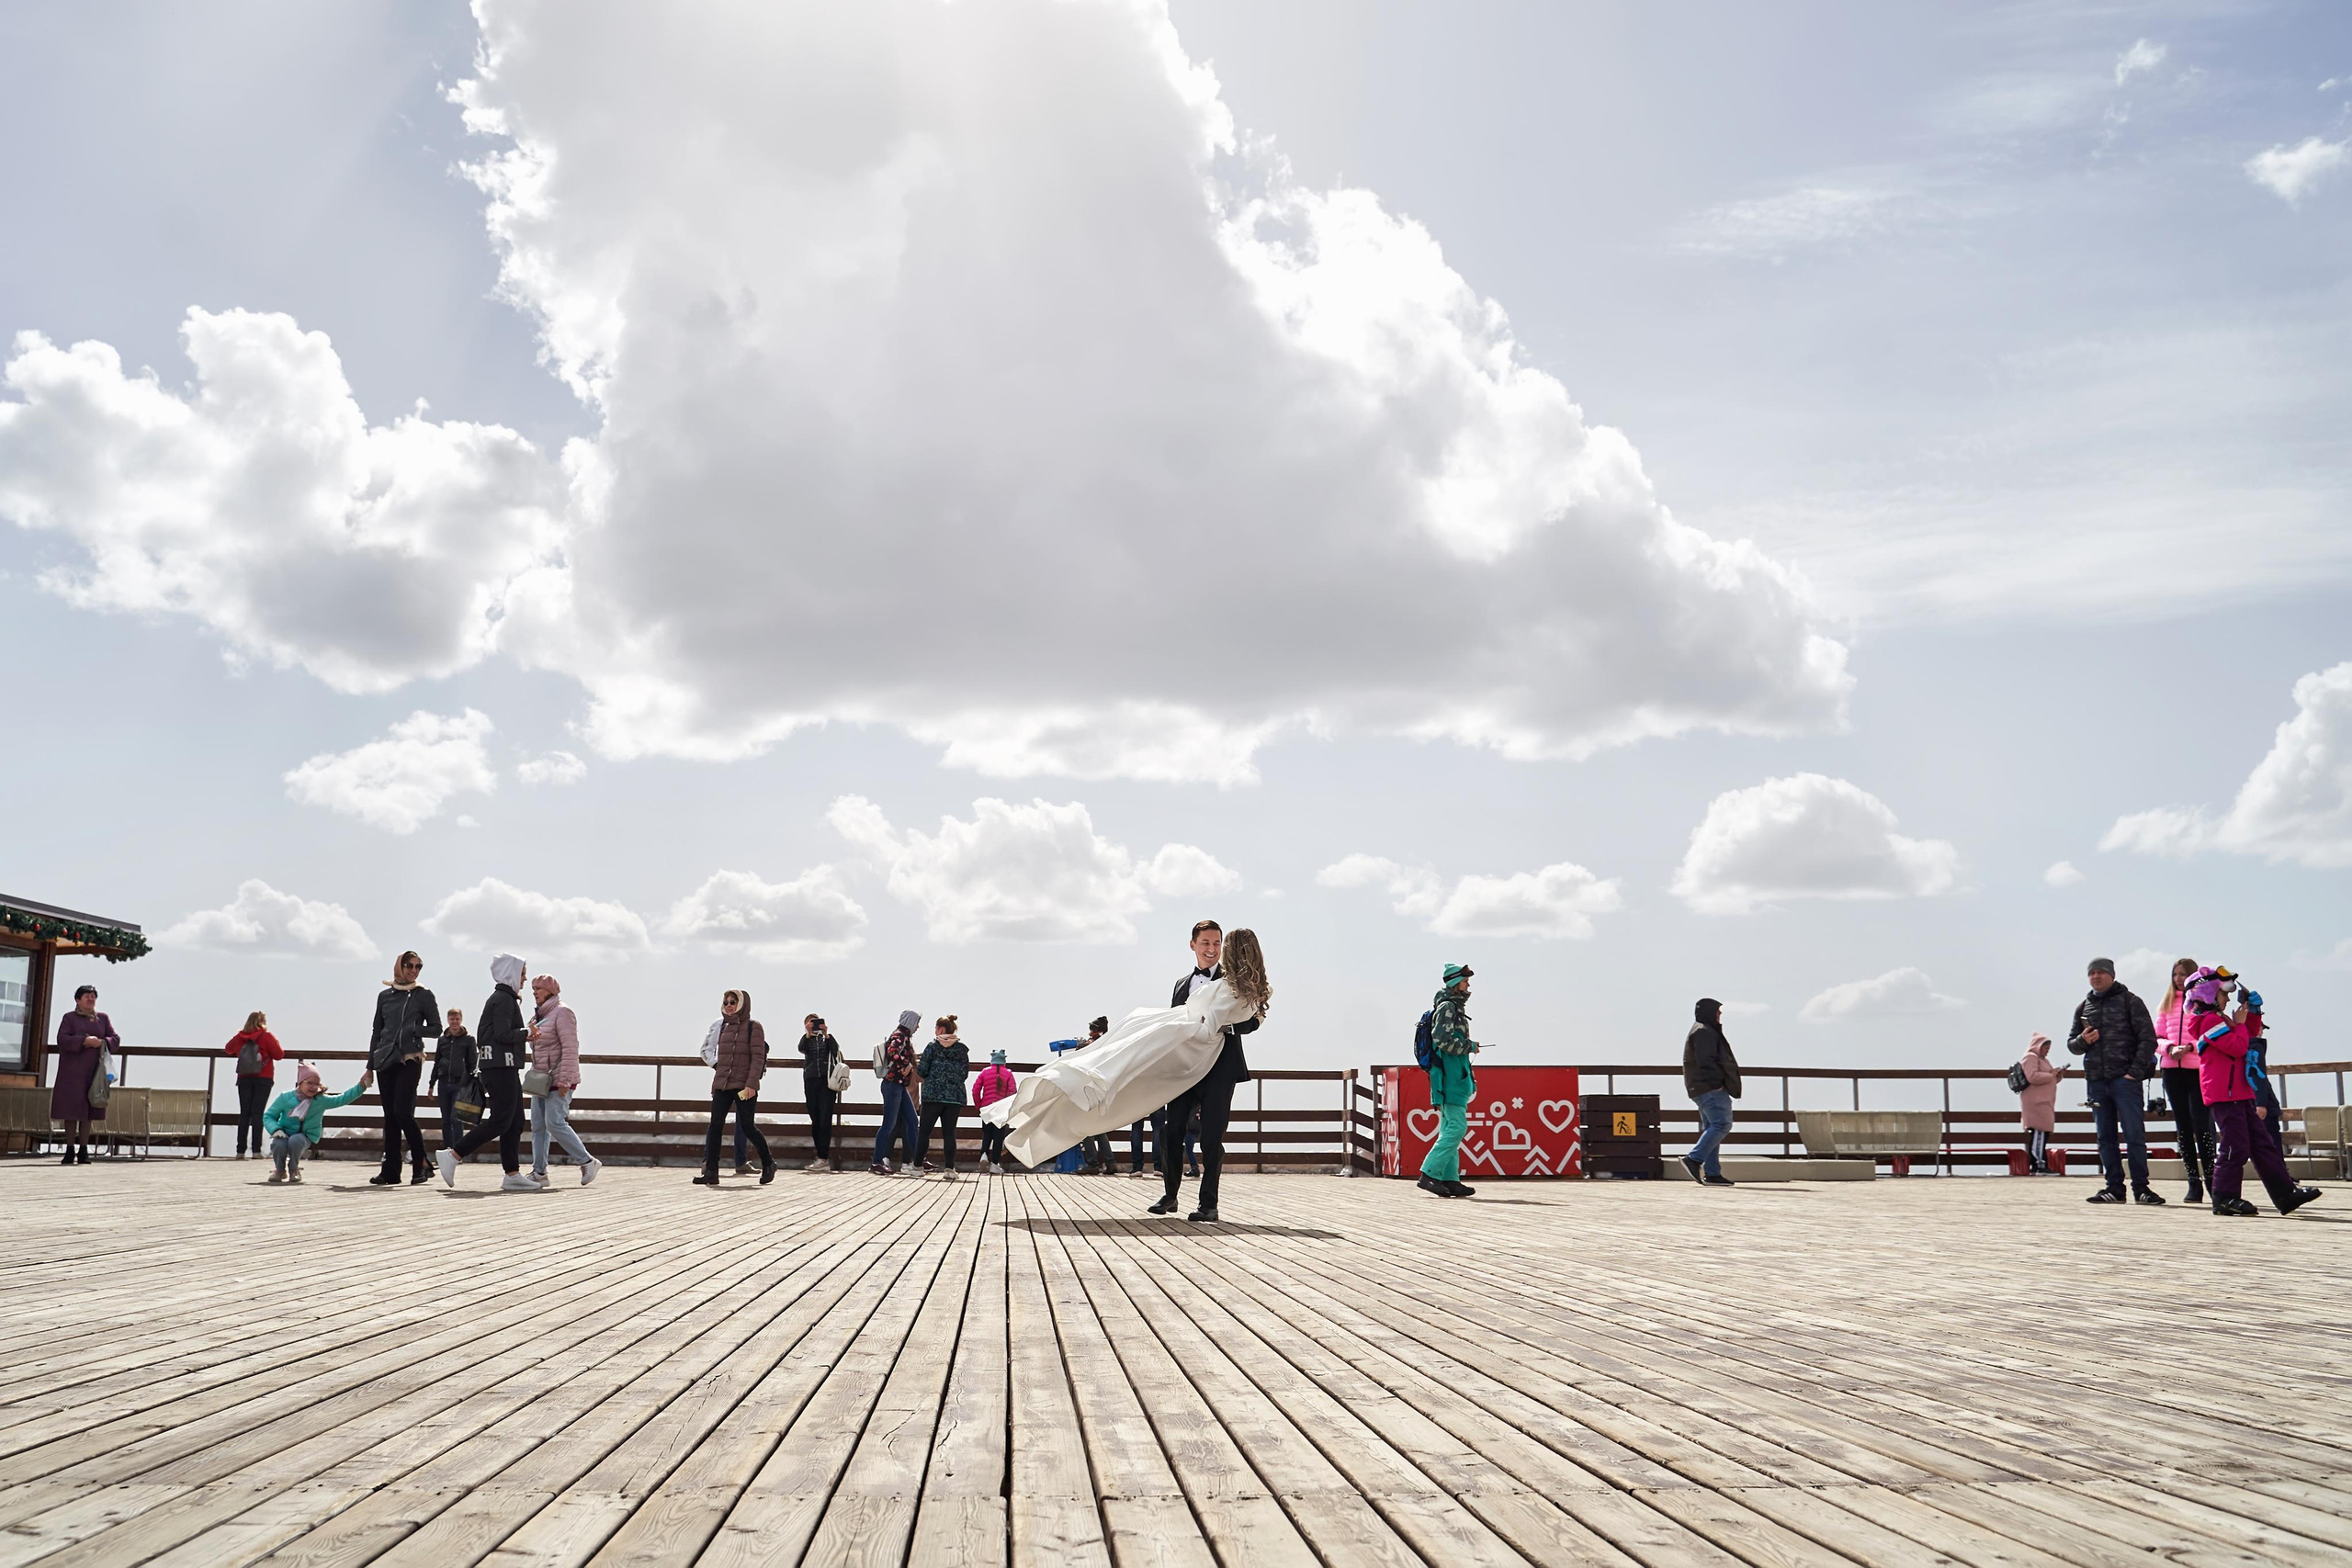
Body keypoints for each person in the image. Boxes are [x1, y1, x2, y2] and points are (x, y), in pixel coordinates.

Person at [1003, 922, 1270, 1224]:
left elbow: (1254, 1020)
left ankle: (1209, 1203)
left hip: (1220, 1069)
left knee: (1211, 1137)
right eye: (1206, 942)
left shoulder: (1236, 979)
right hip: (1182, 1071)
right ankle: (1170, 1195)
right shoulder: (1182, 984)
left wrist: (1226, 1026)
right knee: (1171, 1131)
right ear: (1193, 945)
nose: (1212, 948)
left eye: (1217, 943)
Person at [2188, 972, 2318, 1216]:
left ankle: (2285, 1194)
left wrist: (2253, 1013)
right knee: (2234, 1145)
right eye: (2224, 992)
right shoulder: (2207, 1021)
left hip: (2238, 1091)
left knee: (2262, 1144)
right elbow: (2238, 1046)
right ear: (2208, 994)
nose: (2228, 997)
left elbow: (2247, 1036)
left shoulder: (2219, 1018)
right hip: (2224, 1093)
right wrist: (2238, 1022)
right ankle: (2224, 1197)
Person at [2065, 956, 2162, 1205]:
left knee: (2134, 1135)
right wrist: (2082, 1041)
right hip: (2096, 1082)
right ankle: (2114, 1189)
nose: (2096, 976)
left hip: (2125, 1081)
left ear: (2112, 974)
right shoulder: (2083, 1007)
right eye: (2092, 973)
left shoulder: (2131, 1002)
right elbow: (2072, 1045)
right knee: (2105, 1137)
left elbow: (2148, 1039)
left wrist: (2134, 1072)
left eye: (2100, 972)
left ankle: (2142, 1189)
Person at [436, 954, 533, 1191]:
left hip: (503, 1067)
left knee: (516, 1121)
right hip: (500, 1068)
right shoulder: (503, 1000)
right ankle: (454, 1154)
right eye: (521, 974)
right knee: (501, 1120)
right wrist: (527, 1033)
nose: (525, 979)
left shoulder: (503, 998)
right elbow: (502, 1035)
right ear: (510, 974)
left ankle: (512, 1174)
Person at [368, 950, 444, 1186]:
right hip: (385, 1060)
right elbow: (376, 1032)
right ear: (400, 966)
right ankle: (390, 1171)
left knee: (403, 1113)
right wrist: (370, 1066)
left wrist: (414, 1029)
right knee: (390, 1117)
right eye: (409, 965)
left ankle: (421, 1163)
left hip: (410, 1059)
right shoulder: (385, 995)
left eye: (418, 966)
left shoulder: (423, 995)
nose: (413, 970)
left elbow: (436, 1028)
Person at [527, 975, 602, 1188]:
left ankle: (587, 1161)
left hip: (558, 1078)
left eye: (539, 989)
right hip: (540, 1079)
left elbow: (571, 1048)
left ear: (550, 991)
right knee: (538, 1125)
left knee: (555, 1122)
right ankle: (539, 1172)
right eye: (533, 988)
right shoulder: (539, 1016)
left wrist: (565, 1080)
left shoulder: (563, 1012)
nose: (534, 992)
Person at [2153, 957, 2215, 1203]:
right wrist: (2169, 1048)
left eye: (2182, 974)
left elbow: (2210, 1034)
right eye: (2175, 974)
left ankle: (2211, 1179)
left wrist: (2189, 1047)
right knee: (2183, 1128)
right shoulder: (2165, 1005)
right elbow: (2156, 1037)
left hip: (2197, 1069)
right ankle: (2193, 1183)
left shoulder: (2202, 1004)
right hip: (2171, 1070)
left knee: (2202, 1125)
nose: (2178, 979)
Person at [1419, 964, 1482, 1199]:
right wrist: (1470, 1046)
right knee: (1457, 1127)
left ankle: (1450, 1179)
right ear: (1454, 984)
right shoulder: (1448, 1008)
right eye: (1465, 982)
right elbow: (1443, 1041)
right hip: (1449, 1079)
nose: (1468, 986)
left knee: (1449, 1128)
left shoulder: (1452, 1007)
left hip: (1454, 1078)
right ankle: (1429, 1173)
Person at [700, 988, 773, 1185]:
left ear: (742, 1004)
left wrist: (752, 1084)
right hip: (723, 1085)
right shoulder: (722, 1027)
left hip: (743, 1086)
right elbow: (720, 1059)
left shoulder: (753, 1027)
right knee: (715, 1126)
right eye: (726, 1002)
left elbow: (758, 1058)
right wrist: (717, 1084)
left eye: (733, 1002)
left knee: (748, 1127)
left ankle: (768, 1163)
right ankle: (711, 1172)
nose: (729, 1005)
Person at [265, 1064, 371, 1184]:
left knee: (295, 1141)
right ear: (300, 1083)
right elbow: (269, 1116)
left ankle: (294, 1170)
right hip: (284, 1132)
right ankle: (279, 1170)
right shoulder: (285, 1098)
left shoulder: (320, 1100)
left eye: (316, 1084)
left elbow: (342, 1099)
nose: (313, 1087)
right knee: (278, 1143)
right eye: (309, 1083)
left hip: (305, 1135)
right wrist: (275, 1129)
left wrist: (361, 1087)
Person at [50, 984, 117, 1164]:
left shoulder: (102, 1018)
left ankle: (84, 1150)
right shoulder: (69, 1018)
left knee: (90, 1110)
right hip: (71, 1072)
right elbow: (62, 1040)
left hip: (94, 1072)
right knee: (71, 1111)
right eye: (87, 996)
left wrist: (102, 1041)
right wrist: (84, 1041)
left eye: (93, 996)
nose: (91, 999)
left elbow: (115, 1039)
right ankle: (69, 1150)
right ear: (78, 1000)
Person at [1680, 998, 1740, 1188]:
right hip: (1709, 1088)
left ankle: (1713, 1173)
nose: (1720, 1015)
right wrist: (1716, 1084)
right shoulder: (1704, 1032)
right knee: (1722, 1124)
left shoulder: (1702, 1030)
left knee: (1712, 1127)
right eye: (1718, 1011)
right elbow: (1705, 1061)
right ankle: (1694, 1159)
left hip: (1701, 1087)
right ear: (1709, 1012)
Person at [223, 1011, 284, 1159]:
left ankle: (240, 1151)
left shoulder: (240, 1037)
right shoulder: (266, 1036)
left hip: (244, 1077)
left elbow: (228, 1048)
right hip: (263, 1078)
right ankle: (256, 1151)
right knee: (258, 1114)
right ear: (262, 1022)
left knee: (244, 1114)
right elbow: (279, 1055)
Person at [916, 1016, 972, 1176]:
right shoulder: (962, 1049)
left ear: (941, 1029)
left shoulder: (932, 1047)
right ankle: (949, 1168)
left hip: (932, 1095)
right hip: (953, 1098)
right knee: (949, 1134)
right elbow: (964, 1073)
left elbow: (922, 1070)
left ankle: (918, 1166)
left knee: (924, 1132)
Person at [870, 1011, 922, 1174]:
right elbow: (892, 1051)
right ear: (910, 1022)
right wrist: (907, 1064)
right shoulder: (899, 1035)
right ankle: (876, 1162)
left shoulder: (905, 1037)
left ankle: (917, 1160)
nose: (918, 1026)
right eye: (916, 1023)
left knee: (913, 1121)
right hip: (892, 1085)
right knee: (889, 1125)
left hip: (899, 1086)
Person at [797, 1014, 842, 1171]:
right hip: (811, 1081)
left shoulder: (827, 1039)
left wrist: (826, 1034)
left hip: (826, 1082)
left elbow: (835, 1050)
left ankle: (824, 1158)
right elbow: (801, 1048)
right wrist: (808, 1034)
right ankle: (820, 1157)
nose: (813, 1026)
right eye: (809, 1023)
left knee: (825, 1119)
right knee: (815, 1118)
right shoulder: (807, 1040)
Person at [2015, 1033, 2064, 1174]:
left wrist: (2057, 1075)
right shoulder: (2030, 1057)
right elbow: (2033, 1077)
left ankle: (2039, 1163)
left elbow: (2048, 1078)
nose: (2047, 1050)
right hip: (2035, 1102)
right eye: (2045, 1048)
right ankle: (2039, 1164)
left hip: (2044, 1101)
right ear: (2038, 1046)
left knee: (2043, 1133)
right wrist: (2051, 1075)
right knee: (2039, 1132)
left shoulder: (2043, 1060)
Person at [428, 1009, 476, 1147]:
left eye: (457, 1019)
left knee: (456, 1119)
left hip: (459, 1084)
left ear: (461, 1020)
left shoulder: (469, 1040)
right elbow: (437, 1062)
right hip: (443, 1083)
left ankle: (458, 1151)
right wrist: (431, 1084)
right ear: (447, 1020)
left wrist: (472, 1084)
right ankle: (448, 1149)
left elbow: (472, 1063)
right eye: (452, 1019)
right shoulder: (442, 1040)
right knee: (445, 1120)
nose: (454, 1022)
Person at [1078, 1017, 1116, 1173]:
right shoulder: (1106, 1042)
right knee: (1099, 1129)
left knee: (1086, 1128)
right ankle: (1110, 1162)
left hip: (1089, 1089)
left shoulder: (1094, 1044)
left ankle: (1093, 1164)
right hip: (1101, 1090)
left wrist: (1081, 1047)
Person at [974, 1049, 1017, 1173]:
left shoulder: (985, 1072)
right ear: (1004, 1060)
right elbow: (1012, 1092)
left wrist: (979, 1105)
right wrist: (1008, 1108)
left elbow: (975, 1090)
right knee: (998, 1136)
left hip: (987, 1108)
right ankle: (994, 1163)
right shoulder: (1008, 1073)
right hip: (1001, 1110)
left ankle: (984, 1155)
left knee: (987, 1133)